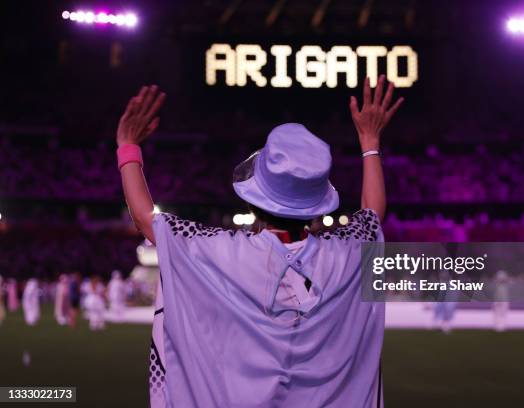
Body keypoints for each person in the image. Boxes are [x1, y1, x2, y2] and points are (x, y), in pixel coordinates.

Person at [116, 77, 403, 407]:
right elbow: (372, 214)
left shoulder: (220, 252)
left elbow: (144, 218)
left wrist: (128, 145)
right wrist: (370, 141)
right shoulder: (346, 257)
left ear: (253, 201)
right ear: (317, 205)